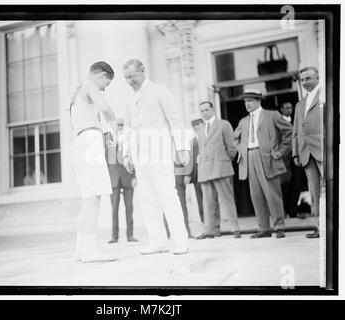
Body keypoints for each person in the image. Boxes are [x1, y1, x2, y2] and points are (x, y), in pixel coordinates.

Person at [122, 59, 190, 255]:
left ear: (143, 71)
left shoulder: (160, 90)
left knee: (168, 196)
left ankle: (180, 241)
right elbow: (127, 128)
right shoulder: (129, 99)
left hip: (159, 153)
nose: (129, 81)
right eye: (126, 78)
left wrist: (182, 148)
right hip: (140, 156)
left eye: (132, 76)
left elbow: (175, 119)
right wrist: (127, 154)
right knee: (148, 200)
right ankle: (158, 241)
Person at [68, 61, 117, 263]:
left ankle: (81, 250)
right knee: (94, 198)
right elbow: (106, 109)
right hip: (89, 141)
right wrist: (114, 131)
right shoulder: (89, 85)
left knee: (88, 198)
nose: (105, 88)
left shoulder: (75, 90)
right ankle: (90, 251)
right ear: (101, 75)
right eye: (107, 83)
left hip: (79, 142)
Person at [234, 89, 292, 239]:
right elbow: (235, 139)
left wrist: (281, 151)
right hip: (250, 157)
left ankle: (279, 227)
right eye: (245, 101)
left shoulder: (272, 115)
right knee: (256, 195)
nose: (247, 104)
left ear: (258, 101)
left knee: (273, 194)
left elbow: (289, 132)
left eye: (250, 100)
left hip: (268, 157)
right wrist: (242, 150)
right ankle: (264, 228)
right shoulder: (243, 121)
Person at [196, 101, 241, 239]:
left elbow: (232, 146)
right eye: (202, 110)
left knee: (227, 199)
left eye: (206, 110)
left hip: (220, 167)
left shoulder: (224, 124)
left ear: (213, 109)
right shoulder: (200, 128)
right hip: (205, 170)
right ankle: (211, 230)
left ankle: (235, 228)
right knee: (208, 202)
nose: (204, 113)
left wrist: (225, 161)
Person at [292, 67, 323, 239]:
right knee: (314, 192)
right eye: (302, 80)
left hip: (324, 150)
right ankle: (320, 227)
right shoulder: (299, 104)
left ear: (318, 77)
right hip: (306, 153)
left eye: (308, 78)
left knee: (332, 189)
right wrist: (296, 153)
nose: (304, 82)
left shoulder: (326, 96)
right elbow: (296, 131)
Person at [105, 118, 139, 244]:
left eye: (121, 125)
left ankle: (130, 235)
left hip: (128, 176)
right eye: (117, 125)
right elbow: (107, 162)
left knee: (129, 207)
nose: (119, 127)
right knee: (114, 209)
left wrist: (135, 176)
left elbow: (134, 159)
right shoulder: (110, 141)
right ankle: (114, 236)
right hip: (113, 179)